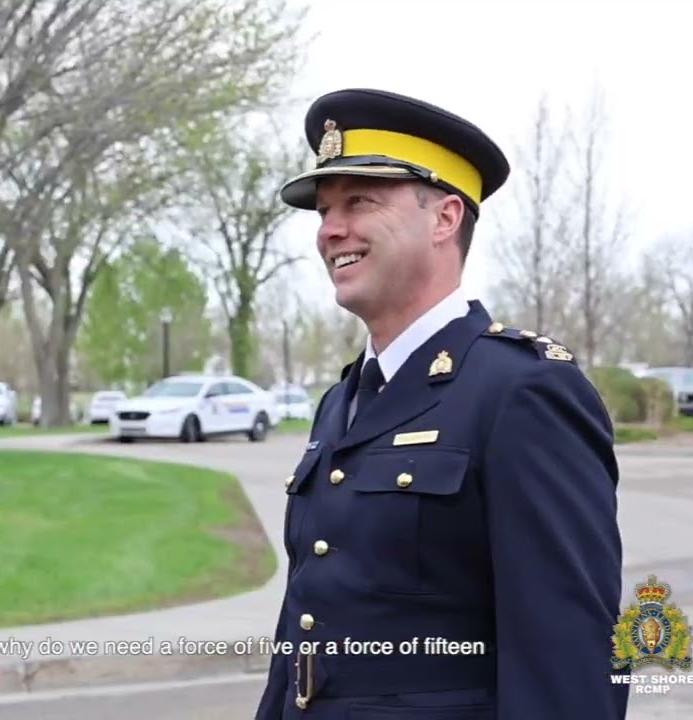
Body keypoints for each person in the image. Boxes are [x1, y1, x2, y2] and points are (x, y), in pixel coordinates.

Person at [254, 89, 628, 719]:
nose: (330, 231)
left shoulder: (521, 392)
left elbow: (571, 661)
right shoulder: (341, 402)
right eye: (323, 211)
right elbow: (304, 633)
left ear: (445, 218)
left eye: (359, 202)